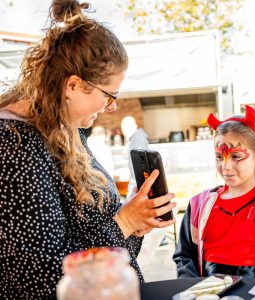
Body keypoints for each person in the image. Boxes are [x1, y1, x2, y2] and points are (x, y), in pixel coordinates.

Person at [0, 1, 176, 299]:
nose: (113, 107)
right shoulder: (15, 144)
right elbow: (42, 278)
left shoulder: (65, 127)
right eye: (110, 96)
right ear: (73, 85)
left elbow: (93, 231)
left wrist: (133, 222)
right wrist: (125, 222)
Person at [173, 105, 255, 278]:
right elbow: (184, 258)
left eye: (236, 156)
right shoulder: (197, 205)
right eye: (219, 157)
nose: (226, 166)